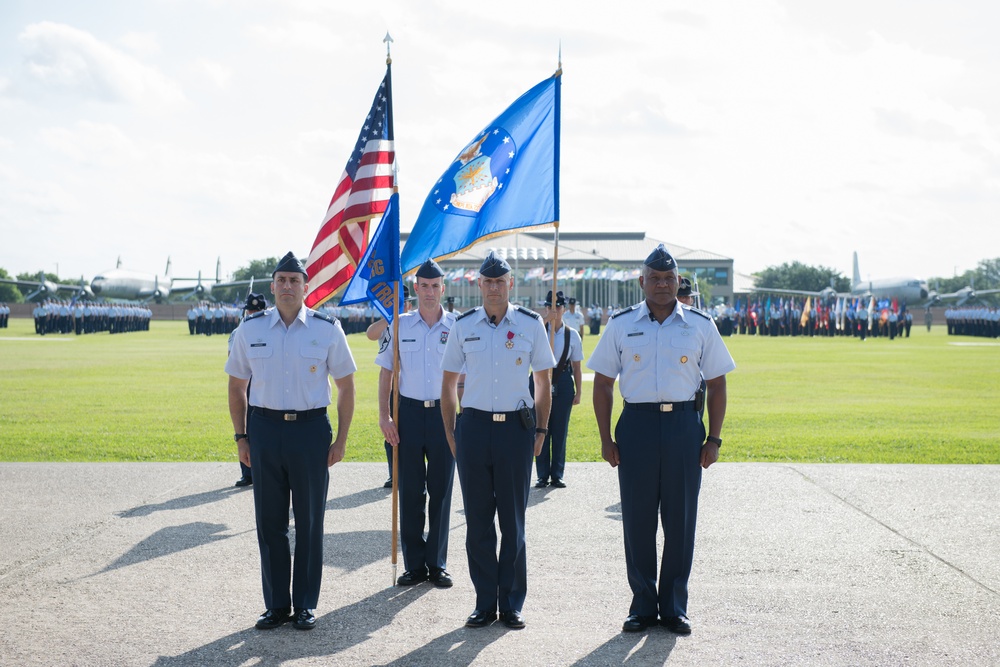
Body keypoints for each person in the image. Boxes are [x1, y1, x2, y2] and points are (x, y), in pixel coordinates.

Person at [588, 244, 735, 636]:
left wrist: (714, 438)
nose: (662, 284)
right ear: (642, 282)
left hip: (684, 429)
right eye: (654, 278)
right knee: (636, 521)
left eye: (669, 278)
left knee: (680, 521)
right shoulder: (621, 324)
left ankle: (673, 607)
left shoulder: (700, 325)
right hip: (635, 427)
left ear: (678, 282)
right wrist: (606, 437)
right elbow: (602, 385)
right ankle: (641, 605)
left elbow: (718, 384)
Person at [225, 251, 356, 632]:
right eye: (281, 280)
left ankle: (305, 606)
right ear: (272, 286)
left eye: (294, 280)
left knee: (310, 522)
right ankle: (277, 605)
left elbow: (346, 387)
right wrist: (241, 437)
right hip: (264, 430)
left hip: (311, 432)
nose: (287, 286)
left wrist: (342, 439)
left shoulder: (326, 329)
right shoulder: (251, 330)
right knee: (269, 523)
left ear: (305, 287)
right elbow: (236, 387)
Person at [441, 250, 556, 630]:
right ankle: (484, 601)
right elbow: (447, 385)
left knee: (513, 521)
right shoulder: (463, 325)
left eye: (500, 281)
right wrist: (451, 432)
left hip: (515, 432)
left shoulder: (530, 323)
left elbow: (543, 382)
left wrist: (540, 431)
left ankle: (511, 603)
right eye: (487, 281)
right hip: (473, 429)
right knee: (477, 522)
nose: (493, 287)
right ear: (479, 285)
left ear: (510, 284)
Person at [376, 260, 458, 588]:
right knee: (409, 492)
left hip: (444, 415)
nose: (429, 291)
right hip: (407, 414)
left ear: (443, 288)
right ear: (416, 288)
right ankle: (414, 565)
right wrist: (385, 416)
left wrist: (461, 417)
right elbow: (386, 373)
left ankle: (436, 564)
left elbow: (464, 376)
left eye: (435, 286)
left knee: (441, 491)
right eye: (423, 286)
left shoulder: (457, 327)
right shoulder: (398, 325)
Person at [534, 290, 583, 489]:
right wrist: (546, 320)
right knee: (541, 428)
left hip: (562, 381)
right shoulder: (539, 330)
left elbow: (577, 367)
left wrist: (578, 391)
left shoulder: (573, 335)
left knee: (560, 430)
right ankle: (542, 475)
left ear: (564, 309)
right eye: (550, 307)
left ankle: (557, 474)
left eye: (558, 307)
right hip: (540, 380)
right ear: (546, 309)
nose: (555, 310)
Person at [367, 286, 414, 489]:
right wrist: (390, 316)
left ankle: (408, 472)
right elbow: (370, 333)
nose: (398, 307)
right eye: (393, 302)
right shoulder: (386, 322)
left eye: (402, 303)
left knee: (410, 433)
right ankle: (393, 473)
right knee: (391, 432)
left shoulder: (413, 322)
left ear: (409, 304)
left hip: (409, 387)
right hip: (391, 386)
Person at [228, 291, 268, 488]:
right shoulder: (238, 332)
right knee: (243, 428)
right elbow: (232, 360)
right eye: (249, 310)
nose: (251, 314)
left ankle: (263, 470)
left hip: (264, 384)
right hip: (246, 383)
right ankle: (247, 472)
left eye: (256, 310)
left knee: (261, 428)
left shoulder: (272, 330)